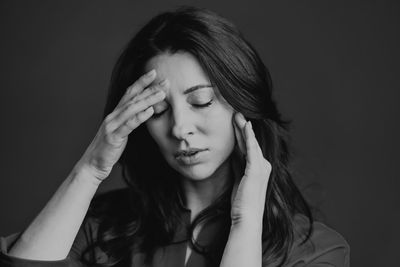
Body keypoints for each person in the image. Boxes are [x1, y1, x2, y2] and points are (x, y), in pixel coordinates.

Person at [0, 6, 350, 267]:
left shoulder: (316, 251)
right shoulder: (100, 230)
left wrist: (245, 220)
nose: (180, 128)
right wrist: (90, 169)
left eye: (201, 100)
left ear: (243, 104)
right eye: (158, 110)